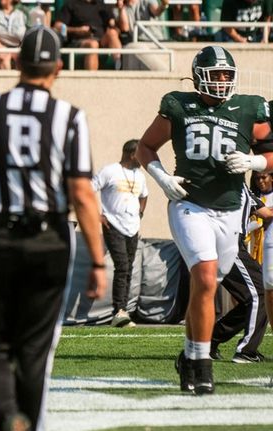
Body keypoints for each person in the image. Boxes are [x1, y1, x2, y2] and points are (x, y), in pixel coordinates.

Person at [0, 26, 106, 431]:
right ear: (59, 68)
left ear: (16, 61)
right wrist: (98, 260)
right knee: (35, 347)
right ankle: (25, 419)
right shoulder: (70, 117)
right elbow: (82, 192)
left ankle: (9, 415)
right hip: (50, 238)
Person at [135, 45, 272, 395]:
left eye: (227, 75)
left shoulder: (249, 108)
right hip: (189, 204)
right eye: (216, 75)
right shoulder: (178, 105)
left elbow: (271, 153)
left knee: (207, 284)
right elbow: (145, 147)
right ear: (198, 76)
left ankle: (188, 355)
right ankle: (200, 362)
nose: (223, 82)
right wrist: (163, 179)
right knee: (206, 276)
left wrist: (256, 164)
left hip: (229, 211)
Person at [92, 139, 148, 328]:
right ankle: (119, 311)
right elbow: (89, 190)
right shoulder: (110, 171)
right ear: (132, 154)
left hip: (132, 227)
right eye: (141, 155)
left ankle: (122, 311)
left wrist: (140, 213)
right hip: (112, 224)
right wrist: (98, 216)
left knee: (128, 267)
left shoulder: (139, 175)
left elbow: (144, 195)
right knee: (122, 266)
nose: (143, 159)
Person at [210, 183, 269, 363]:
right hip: (228, 244)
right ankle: (246, 351)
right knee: (261, 292)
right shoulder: (222, 182)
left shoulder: (242, 186)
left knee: (253, 298)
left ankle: (208, 340)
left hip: (237, 245)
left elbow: (265, 213)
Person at [53, 0, 122, 71]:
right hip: (79, 41)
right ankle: (91, 79)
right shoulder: (71, 4)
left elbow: (114, 25)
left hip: (101, 40)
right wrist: (78, 30)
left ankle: (118, 66)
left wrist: (120, 10)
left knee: (112, 33)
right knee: (93, 44)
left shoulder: (102, 5)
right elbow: (57, 26)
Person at [252, 171, 273, 341]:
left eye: (263, 177)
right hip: (256, 248)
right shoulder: (254, 196)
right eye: (257, 178)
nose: (260, 181)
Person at [0, 0, 29, 70]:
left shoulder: (23, 10)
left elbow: (29, 32)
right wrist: (1, 47)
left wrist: (20, 49)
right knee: (4, 57)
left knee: (22, 58)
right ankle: (5, 81)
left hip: (18, 46)